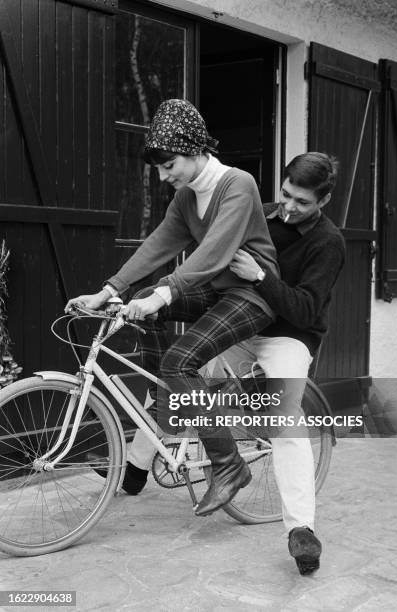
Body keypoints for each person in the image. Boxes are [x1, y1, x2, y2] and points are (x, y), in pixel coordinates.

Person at [99, 152, 345, 576]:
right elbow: (204, 252)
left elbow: (306, 309)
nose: (288, 207)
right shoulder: (261, 214)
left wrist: (261, 277)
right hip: (239, 321)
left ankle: (301, 528)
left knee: (285, 421)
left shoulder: (329, 242)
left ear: (323, 201)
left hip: (288, 334)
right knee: (181, 384)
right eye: (285, 195)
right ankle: (137, 467)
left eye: (302, 203)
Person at [65, 98, 279, 517]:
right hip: (217, 292)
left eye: (169, 165)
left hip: (253, 296)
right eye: (160, 169)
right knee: (151, 308)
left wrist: (164, 293)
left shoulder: (239, 184)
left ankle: (228, 465)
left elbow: (215, 252)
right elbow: (159, 245)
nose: (164, 177)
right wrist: (109, 290)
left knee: (176, 356)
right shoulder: (185, 199)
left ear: (197, 149)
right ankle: (168, 406)